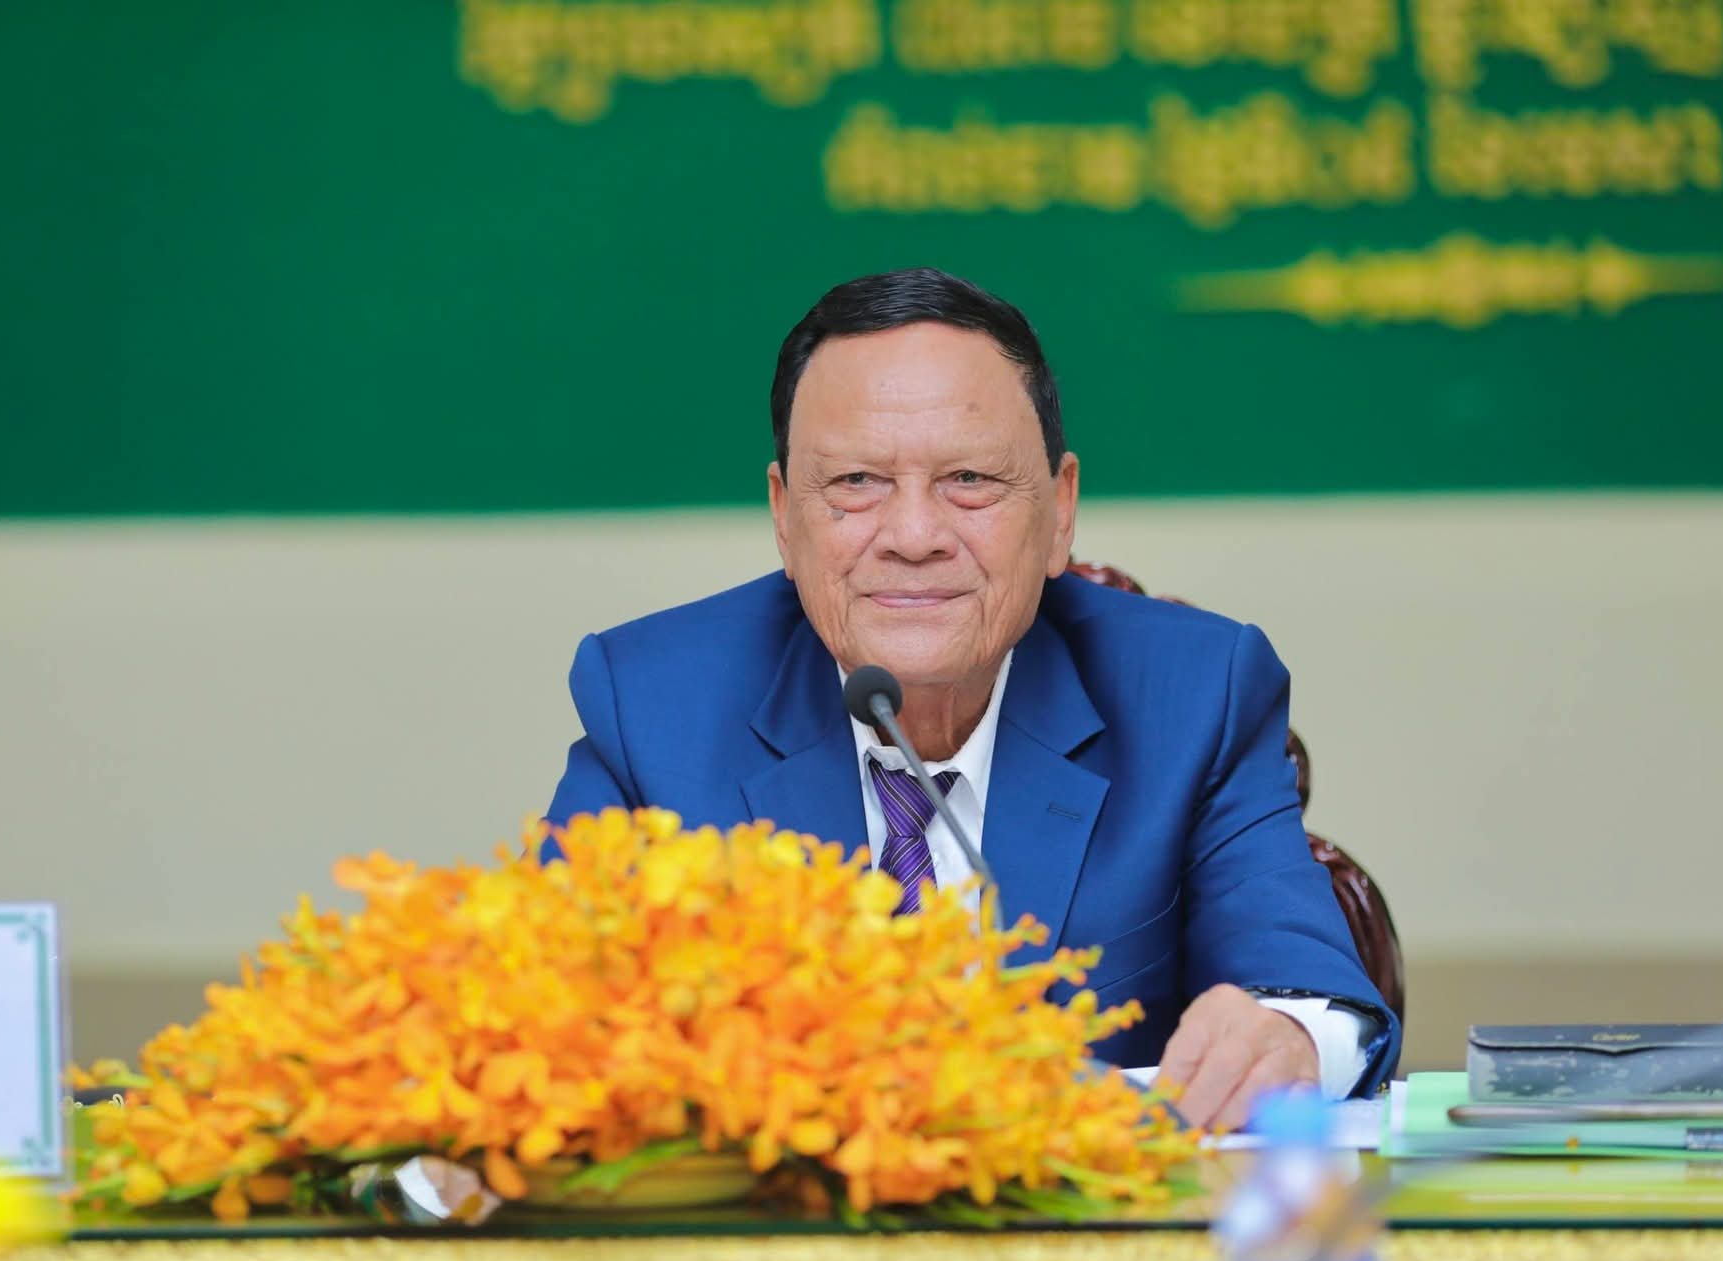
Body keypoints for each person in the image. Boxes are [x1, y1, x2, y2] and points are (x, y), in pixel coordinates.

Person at [546, 268, 1397, 1126]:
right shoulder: (653, 706)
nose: (914, 537)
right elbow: (545, 1015)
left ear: (1060, 509)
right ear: (784, 517)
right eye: (856, 482)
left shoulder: (1191, 696)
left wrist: (1288, 1040)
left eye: (970, 479)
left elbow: (1310, 993)